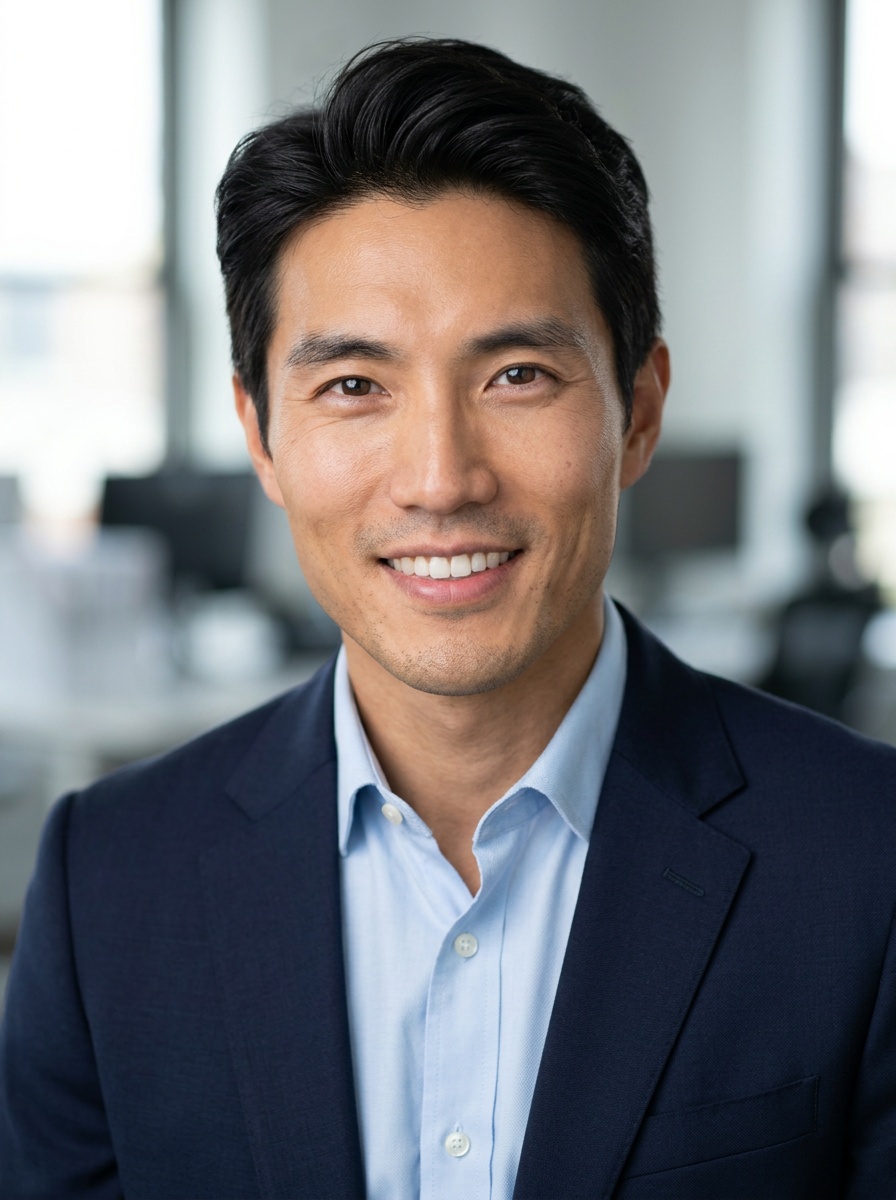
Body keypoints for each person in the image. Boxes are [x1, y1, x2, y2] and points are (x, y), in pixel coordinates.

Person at [1, 37, 895, 1200]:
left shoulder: (868, 863)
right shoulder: (108, 881)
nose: (438, 477)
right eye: (353, 387)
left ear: (636, 411)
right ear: (261, 435)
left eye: (515, 374)